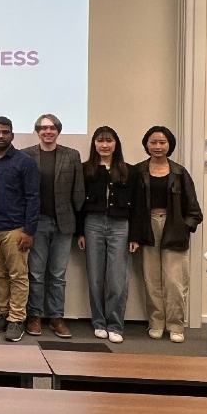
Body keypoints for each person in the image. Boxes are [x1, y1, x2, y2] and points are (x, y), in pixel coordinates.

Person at [77, 126, 145, 344]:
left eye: (109, 141)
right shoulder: (85, 169)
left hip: (120, 226)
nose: (104, 145)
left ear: (116, 144)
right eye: (100, 141)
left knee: (117, 279)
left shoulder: (130, 171)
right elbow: (77, 203)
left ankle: (115, 324)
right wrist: (80, 232)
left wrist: (134, 236)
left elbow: (139, 206)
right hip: (92, 224)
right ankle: (98, 322)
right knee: (95, 277)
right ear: (94, 144)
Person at [135, 126, 203, 343]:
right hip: (148, 226)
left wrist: (185, 226)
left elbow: (194, 209)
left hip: (174, 227)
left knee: (175, 280)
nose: (157, 146)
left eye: (162, 142)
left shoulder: (180, 173)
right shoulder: (138, 171)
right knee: (151, 279)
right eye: (153, 142)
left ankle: (176, 325)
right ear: (146, 144)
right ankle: (156, 322)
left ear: (170, 145)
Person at [20, 114, 84, 338]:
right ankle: (34, 317)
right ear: (37, 131)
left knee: (58, 274)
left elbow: (78, 191)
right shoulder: (26, 155)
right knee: (36, 274)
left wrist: (80, 227)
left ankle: (56, 318)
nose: (48, 131)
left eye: (52, 128)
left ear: (58, 130)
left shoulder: (72, 155)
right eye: (43, 128)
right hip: (37, 223)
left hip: (64, 223)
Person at [0, 116, 39, 342]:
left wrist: (29, 230)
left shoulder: (25, 162)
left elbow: (33, 197)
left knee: (18, 275)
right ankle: (4, 314)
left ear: (12, 135)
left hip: (16, 229)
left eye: (5, 132)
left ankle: (17, 319)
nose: (1, 136)